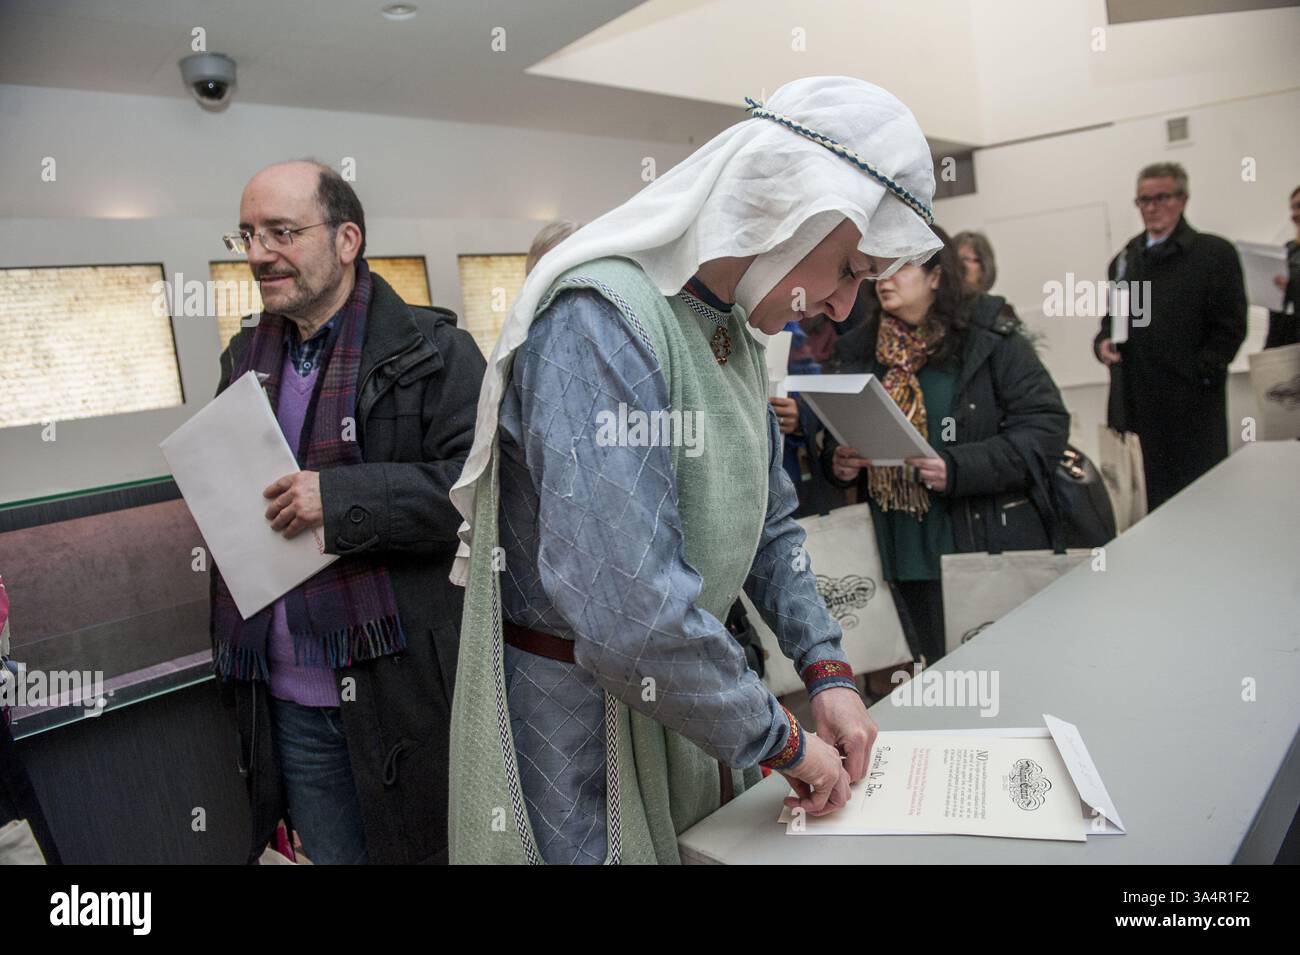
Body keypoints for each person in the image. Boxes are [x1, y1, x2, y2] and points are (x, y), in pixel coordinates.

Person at [446, 77, 943, 865]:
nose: (847, 307)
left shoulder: (733, 325)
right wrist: (780, 739)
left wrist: (829, 671)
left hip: (683, 695)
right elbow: (631, 612)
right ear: (786, 207)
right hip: (580, 719)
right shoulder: (599, 322)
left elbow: (770, 524)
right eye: (849, 267)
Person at [211, 160, 485, 864]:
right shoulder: (243, 356)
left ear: (346, 239)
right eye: (247, 234)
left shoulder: (438, 353)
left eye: (281, 231)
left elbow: (476, 491)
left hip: (404, 690)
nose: (258, 253)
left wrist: (339, 500)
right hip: (286, 694)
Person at [824, 226, 1069, 667]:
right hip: (892, 551)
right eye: (880, 267)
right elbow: (837, 433)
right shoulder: (859, 351)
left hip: (970, 543)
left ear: (937, 277)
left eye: (903, 266)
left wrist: (957, 467)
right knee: (926, 677)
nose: (885, 278)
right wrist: (837, 461)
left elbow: (1045, 429)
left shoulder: (990, 339)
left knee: (992, 672)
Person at [1093, 161, 1247, 511]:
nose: (1152, 207)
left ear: (1182, 200)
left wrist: (1201, 373)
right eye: (1144, 200)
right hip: (1141, 407)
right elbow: (1111, 322)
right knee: (1153, 503)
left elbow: (1231, 326)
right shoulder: (1127, 259)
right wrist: (1102, 344)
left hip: (1194, 407)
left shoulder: (1213, 254)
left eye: (1161, 198)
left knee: (1205, 499)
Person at [1263, 185, 1300, 349]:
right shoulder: (1290, 250)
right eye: (1292, 209)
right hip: (1286, 345)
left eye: (1299, 207)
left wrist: (1291, 286)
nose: (1294, 216)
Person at [953, 230, 996, 295]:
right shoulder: (938, 303)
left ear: (984, 267)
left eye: (966, 258)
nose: (959, 265)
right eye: (955, 259)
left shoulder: (995, 304)